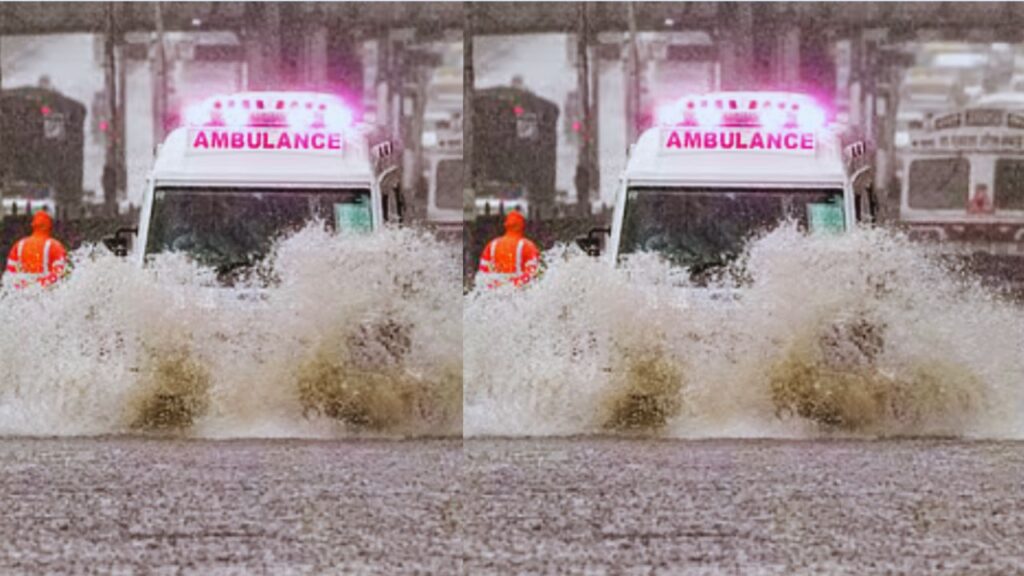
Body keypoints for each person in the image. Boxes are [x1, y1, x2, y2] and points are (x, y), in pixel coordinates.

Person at [5, 210, 68, 289]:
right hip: (46, 293)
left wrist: (22, 286)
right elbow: (59, 272)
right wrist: (39, 286)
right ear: (49, 226)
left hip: (22, 293)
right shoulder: (55, 246)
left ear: (33, 225)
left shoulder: (18, 245)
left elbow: (10, 273)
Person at [478, 209, 541, 288]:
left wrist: (494, 286)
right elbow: (532, 272)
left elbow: (483, 273)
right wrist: (513, 285)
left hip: (494, 292)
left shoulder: (491, 245)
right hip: (518, 293)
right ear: (522, 225)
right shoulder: (528, 246)